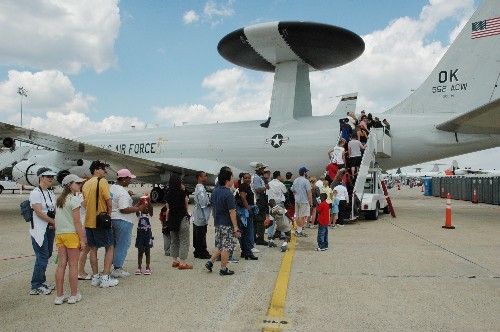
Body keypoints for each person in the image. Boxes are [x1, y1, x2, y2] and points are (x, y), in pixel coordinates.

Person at [82, 160, 118, 288]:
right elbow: (109, 201)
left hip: (89, 221)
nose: (105, 172)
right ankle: (106, 277)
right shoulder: (102, 181)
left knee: (93, 249)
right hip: (101, 220)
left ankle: (95, 277)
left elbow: (84, 203)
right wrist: (108, 215)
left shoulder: (86, 184)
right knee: (110, 247)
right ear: (96, 170)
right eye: (103, 169)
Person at [54, 174, 86, 304]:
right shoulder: (74, 200)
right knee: (73, 264)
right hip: (71, 234)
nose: (80, 185)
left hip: (60, 234)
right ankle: (73, 295)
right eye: (77, 183)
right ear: (69, 185)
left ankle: (59, 295)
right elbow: (77, 222)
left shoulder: (59, 200)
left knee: (61, 264)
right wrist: (82, 239)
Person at [110, 169, 146, 278]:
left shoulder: (112, 188)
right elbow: (123, 209)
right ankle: (118, 268)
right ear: (124, 179)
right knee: (123, 244)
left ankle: (109, 264)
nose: (130, 180)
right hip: (123, 220)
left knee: (113, 244)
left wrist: (136, 204)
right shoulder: (122, 193)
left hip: (113, 218)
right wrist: (139, 208)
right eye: (129, 178)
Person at [205, 167, 240, 276]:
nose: (232, 180)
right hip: (227, 223)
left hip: (218, 222)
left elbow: (212, 206)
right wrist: (235, 227)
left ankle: (210, 261)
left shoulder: (215, 191)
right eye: (231, 178)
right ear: (226, 180)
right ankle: (223, 268)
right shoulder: (228, 193)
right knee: (227, 247)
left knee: (220, 244)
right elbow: (232, 212)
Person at [29, 167, 57, 295]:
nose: (51, 178)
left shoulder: (50, 192)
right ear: (41, 177)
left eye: (52, 176)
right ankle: (36, 285)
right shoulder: (35, 193)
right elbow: (39, 212)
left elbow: (54, 209)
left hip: (50, 227)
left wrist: (55, 221)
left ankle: (42, 280)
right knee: (42, 256)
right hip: (39, 228)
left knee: (48, 253)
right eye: (48, 176)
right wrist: (52, 221)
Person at [165, 174, 192, 269]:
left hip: (172, 218)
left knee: (174, 241)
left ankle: (174, 261)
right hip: (182, 218)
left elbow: (167, 208)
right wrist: (183, 190)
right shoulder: (182, 193)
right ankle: (182, 262)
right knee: (184, 241)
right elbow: (186, 205)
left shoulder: (168, 194)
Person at [235, 173, 258, 260]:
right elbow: (243, 198)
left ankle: (244, 251)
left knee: (244, 232)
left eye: (249, 178)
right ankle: (248, 252)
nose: (247, 179)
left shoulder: (247, 186)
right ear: (243, 179)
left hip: (245, 211)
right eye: (246, 178)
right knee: (247, 232)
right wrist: (248, 208)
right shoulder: (244, 186)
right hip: (245, 212)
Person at [192, 171, 212, 259]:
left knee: (197, 233)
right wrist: (210, 203)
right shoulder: (200, 189)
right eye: (205, 176)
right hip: (201, 214)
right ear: (200, 177)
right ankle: (202, 252)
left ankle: (197, 251)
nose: (206, 177)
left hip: (197, 213)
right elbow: (203, 202)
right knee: (201, 234)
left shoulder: (198, 187)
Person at [266, 170, 287, 244]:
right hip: (279, 203)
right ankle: (282, 234)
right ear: (278, 176)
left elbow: (267, 193)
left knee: (272, 219)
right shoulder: (280, 184)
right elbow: (285, 191)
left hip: (271, 203)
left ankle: (270, 234)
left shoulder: (269, 183)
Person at [251, 163, 269, 246]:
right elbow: (258, 190)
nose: (263, 170)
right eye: (262, 169)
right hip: (259, 200)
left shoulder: (256, 177)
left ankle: (254, 238)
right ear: (259, 169)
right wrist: (265, 187)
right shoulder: (257, 178)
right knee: (260, 220)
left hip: (257, 200)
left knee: (256, 220)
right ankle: (260, 239)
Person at [291, 166, 312, 237]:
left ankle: (298, 229)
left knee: (298, 215)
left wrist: (296, 197)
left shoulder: (296, 180)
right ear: (304, 173)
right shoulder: (306, 181)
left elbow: (293, 190)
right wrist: (311, 201)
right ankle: (299, 231)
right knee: (302, 216)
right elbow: (309, 192)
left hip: (297, 200)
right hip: (304, 200)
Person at [77, 180, 91, 281]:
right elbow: (88, 207)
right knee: (85, 249)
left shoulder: (80, 196)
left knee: (85, 249)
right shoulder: (81, 197)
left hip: (84, 223)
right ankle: (80, 272)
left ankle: (80, 271)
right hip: (84, 224)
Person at [135, 202, 154, 275]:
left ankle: (147, 267)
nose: (146, 208)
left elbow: (151, 207)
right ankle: (139, 267)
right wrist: (140, 202)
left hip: (148, 235)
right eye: (143, 207)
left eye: (147, 207)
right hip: (140, 235)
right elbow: (135, 208)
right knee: (140, 251)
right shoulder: (139, 215)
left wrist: (147, 201)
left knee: (147, 251)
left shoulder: (149, 215)